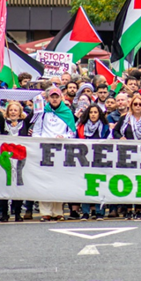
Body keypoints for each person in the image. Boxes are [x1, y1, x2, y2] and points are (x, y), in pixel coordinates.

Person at [32, 86, 76, 221]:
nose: (55, 99)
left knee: (59, 181)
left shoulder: (67, 112)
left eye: (57, 96)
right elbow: (36, 131)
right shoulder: (42, 112)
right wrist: (40, 141)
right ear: (48, 98)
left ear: (61, 98)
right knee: (44, 181)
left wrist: (65, 138)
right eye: (52, 97)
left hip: (61, 151)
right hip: (44, 150)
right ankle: (45, 211)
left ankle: (58, 211)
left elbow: (72, 133)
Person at [77, 104, 111, 221]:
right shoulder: (81, 127)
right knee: (86, 186)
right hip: (85, 160)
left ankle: (99, 212)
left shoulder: (105, 127)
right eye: (91, 112)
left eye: (95, 112)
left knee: (100, 186)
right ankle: (85, 212)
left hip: (100, 160)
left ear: (99, 114)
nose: (93, 114)